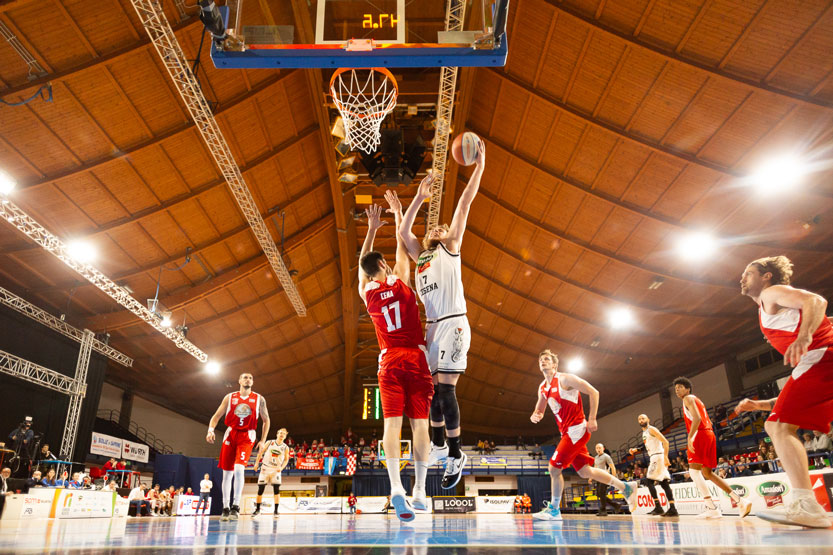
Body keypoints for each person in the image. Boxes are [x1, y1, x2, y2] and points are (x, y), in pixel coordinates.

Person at [398, 138, 486, 490]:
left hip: (453, 323)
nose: (437, 229)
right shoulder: (421, 256)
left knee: (446, 392)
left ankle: (455, 453)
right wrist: (419, 197)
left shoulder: (450, 247)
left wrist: (478, 168)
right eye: (432, 228)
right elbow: (405, 232)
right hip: (432, 330)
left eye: (441, 227)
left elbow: (464, 204)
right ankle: (437, 446)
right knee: (431, 394)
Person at [734, 255, 833, 528]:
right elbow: (797, 398)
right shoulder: (766, 307)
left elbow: (816, 301)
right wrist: (761, 404)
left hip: (820, 355)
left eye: (749, 272)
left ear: (766, 276)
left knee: (777, 427)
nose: (742, 277)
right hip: (821, 361)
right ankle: (806, 503)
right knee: (778, 422)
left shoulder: (771, 292)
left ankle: (807, 505)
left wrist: (805, 336)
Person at [358, 192, 433, 522]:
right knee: (420, 426)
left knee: (391, 425)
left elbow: (364, 266)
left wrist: (370, 231)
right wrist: (399, 212)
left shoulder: (367, 293)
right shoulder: (402, 281)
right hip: (416, 359)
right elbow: (403, 244)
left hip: (388, 360)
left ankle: (395, 489)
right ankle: (419, 490)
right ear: (385, 266)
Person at [530, 350, 637, 521]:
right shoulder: (542, 387)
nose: (543, 361)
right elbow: (540, 409)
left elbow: (594, 392)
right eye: (541, 359)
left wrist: (592, 418)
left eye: (547, 359)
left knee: (553, 469)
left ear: (554, 365)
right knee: (585, 472)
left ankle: (554, 510)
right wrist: (536, 415)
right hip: (567, 432)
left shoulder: (565, 379)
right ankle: (625, 487)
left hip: (577, 430)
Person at [673, 377, 751, 519]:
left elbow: (697, 419)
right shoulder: (696, 399)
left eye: (680, 386)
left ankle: (711, 508)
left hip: (700, 434)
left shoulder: (688, 398)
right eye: (675, 388)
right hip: (710, 434)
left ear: (688, 389)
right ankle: (740, 500)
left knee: (694, 472)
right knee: (707, 473)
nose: (677, 389)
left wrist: (690, 437)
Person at [206, 371, 270, 521]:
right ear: (239, 381)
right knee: (227, 473)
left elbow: (266, 420)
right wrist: (210, 430)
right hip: (231, 433)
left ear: (252, 383)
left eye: (251, 378)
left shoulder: (259, 399)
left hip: (247, 435)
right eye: (245, 377)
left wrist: (262, 440)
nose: (248, 379)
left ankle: (236, 506)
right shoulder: (230, 397)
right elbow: (216, 416)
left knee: (239, 468)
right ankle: (225, 507)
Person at [628, 414, 679, 517]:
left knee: (648, 481)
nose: (641, 420)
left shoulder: (652, 429)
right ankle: (673, 508)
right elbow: (645, 446)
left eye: (643, 418)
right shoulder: (644, 433)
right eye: (639, 419)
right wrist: (635, 449)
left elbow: (666, 442)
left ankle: (658, 507)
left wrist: (665, 457)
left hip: (657, 457)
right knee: (664, 483)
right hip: (655, 457)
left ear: (648, 419)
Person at [252, 428, 289, 517]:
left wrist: (282, 468)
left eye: (283, 433)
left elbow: (286, 460)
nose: (281, 434)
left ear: (285, 436)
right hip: (265, 468)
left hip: (276, 470)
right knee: (260, 490)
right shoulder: (269, 442)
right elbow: (260, 453)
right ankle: (257, 510)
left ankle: (276, 511)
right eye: (280, 432)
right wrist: (256, 463)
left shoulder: (285, 447)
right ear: (277, 434)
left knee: (276, 490)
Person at [591, 443, 621, 516]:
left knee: (602, 493)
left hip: (605, 477)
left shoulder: (606, 457)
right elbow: (595, 468)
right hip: (598, 477)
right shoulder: (596, 458)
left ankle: (603, 510)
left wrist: (613, 476)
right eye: (597, 448)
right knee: (598, 494)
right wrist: (591, 477)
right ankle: (615, 505)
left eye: (599, 448)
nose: (598, 449)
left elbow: (612, 466)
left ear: (603, 448)